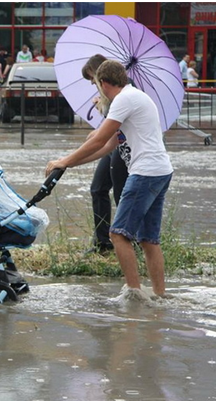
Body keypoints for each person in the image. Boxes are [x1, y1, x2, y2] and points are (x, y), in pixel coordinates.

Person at [45, 60, 173, 298]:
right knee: (148, 240)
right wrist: (69, 164)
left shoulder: (124, 100)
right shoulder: (134, 96)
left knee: (118, 234)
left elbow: (98, 139)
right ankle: (159, 296)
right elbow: (106, 147)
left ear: (103, 83)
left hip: (145, 172)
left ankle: (133, 294)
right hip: (161, 170)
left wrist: (63, 160)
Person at [81, 54, 129, 255]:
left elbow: (116, 127)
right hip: (112, 143)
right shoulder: (106, 94)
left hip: (123, 146)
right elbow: (110, 123)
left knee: (121, 194)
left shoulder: (125, 92)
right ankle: (102, 242)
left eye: (92, 78)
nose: (92, 83)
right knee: (98, 188)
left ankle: (128, 241)